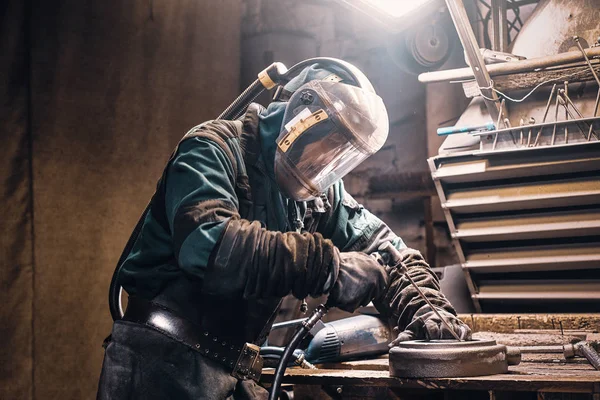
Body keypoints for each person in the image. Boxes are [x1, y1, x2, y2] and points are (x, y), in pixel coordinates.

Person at [97, 62, 471, 400]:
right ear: (296, 114)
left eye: (338, 156)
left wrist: (427, 310)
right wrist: (329, 267)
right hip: (159, 366)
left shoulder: (316, 193)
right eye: (323, 145)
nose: (324, 164)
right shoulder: (210, 149)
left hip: (231, 370)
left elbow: (385, 250)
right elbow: (210, 247)